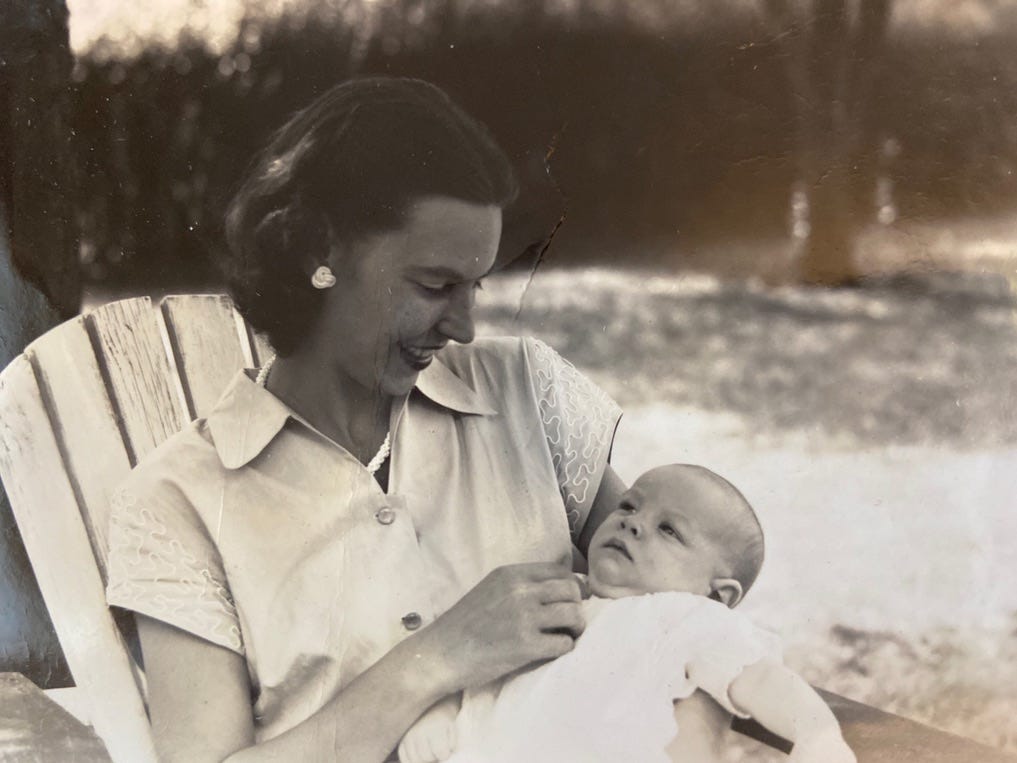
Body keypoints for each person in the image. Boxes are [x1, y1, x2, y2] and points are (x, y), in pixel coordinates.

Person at [104, 77, 629, 762]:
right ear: (317, 249)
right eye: (434, 286)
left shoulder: (527, 397)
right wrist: (435, 658)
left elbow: (686, 579)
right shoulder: (179, 502)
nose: (466, 328)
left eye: (477, 287)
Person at [397, 464, 856, 763]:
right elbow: (476, 666)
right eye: (630, 505)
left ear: (718, 595)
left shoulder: (688, 619)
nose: (632, 522)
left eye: (669, 530)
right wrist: (437, 715)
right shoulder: (552, 595)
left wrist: (817, 736)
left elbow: (759, 680)